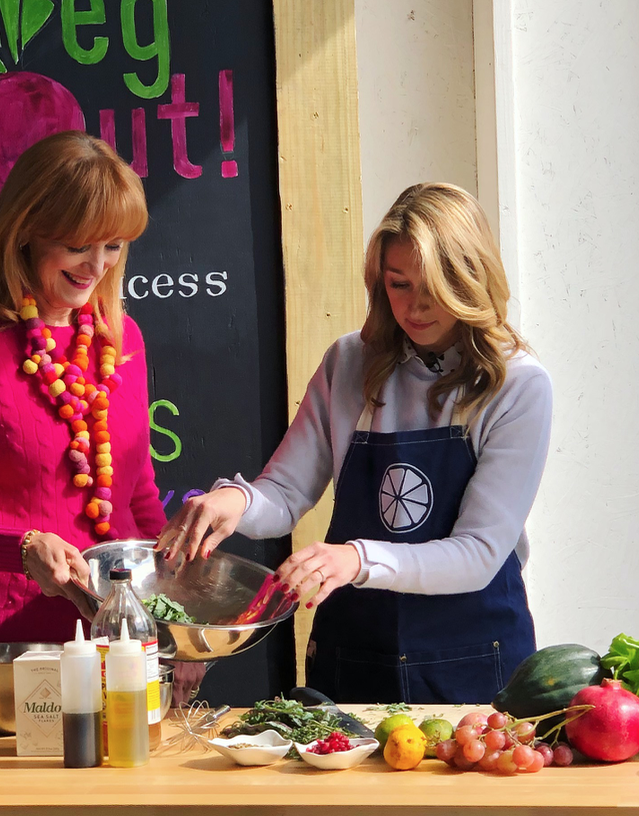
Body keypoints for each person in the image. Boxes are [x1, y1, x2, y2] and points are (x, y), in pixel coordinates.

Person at [157, 182, 553, 705]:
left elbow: (478, 553)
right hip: (352, 652)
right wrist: (235, 502)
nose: (417, 306)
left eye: (434, 284)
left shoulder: (518, 384)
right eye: (399, 284)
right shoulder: (349, 362)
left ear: (470, 277)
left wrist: (354, 560)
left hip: (474, 656)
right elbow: (284, 493)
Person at [0, 131, 195, 695]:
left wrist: (171, 623)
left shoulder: (122, 337)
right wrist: (22, 548)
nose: (97, 266)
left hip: (118, 653)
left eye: (113, 246)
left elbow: (138, 502)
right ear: (27, 230)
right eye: (80, 245)